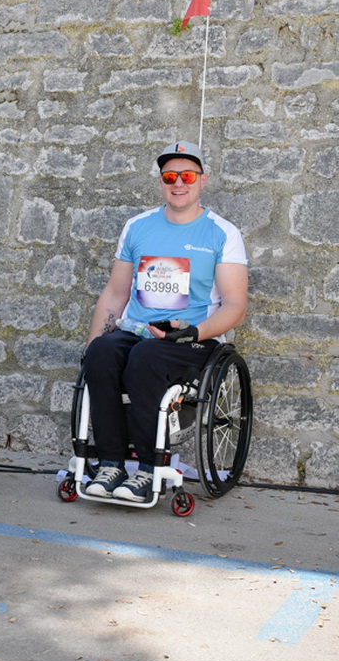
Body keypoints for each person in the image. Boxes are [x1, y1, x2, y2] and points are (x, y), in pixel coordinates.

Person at [82, 141, 249, 502]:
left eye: (187, 175)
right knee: (101, 354)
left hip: (191, 340)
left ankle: (146, 468)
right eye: (169, 176)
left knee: (146, 359)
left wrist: (193, 332)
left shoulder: (223, 233)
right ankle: (111, 463)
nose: (178, 183)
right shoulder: (138, 226)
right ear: (161, 181)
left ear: (203, 180)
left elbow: (235, 305)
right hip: (137, 330)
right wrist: (94, 339)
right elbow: (115, 292)